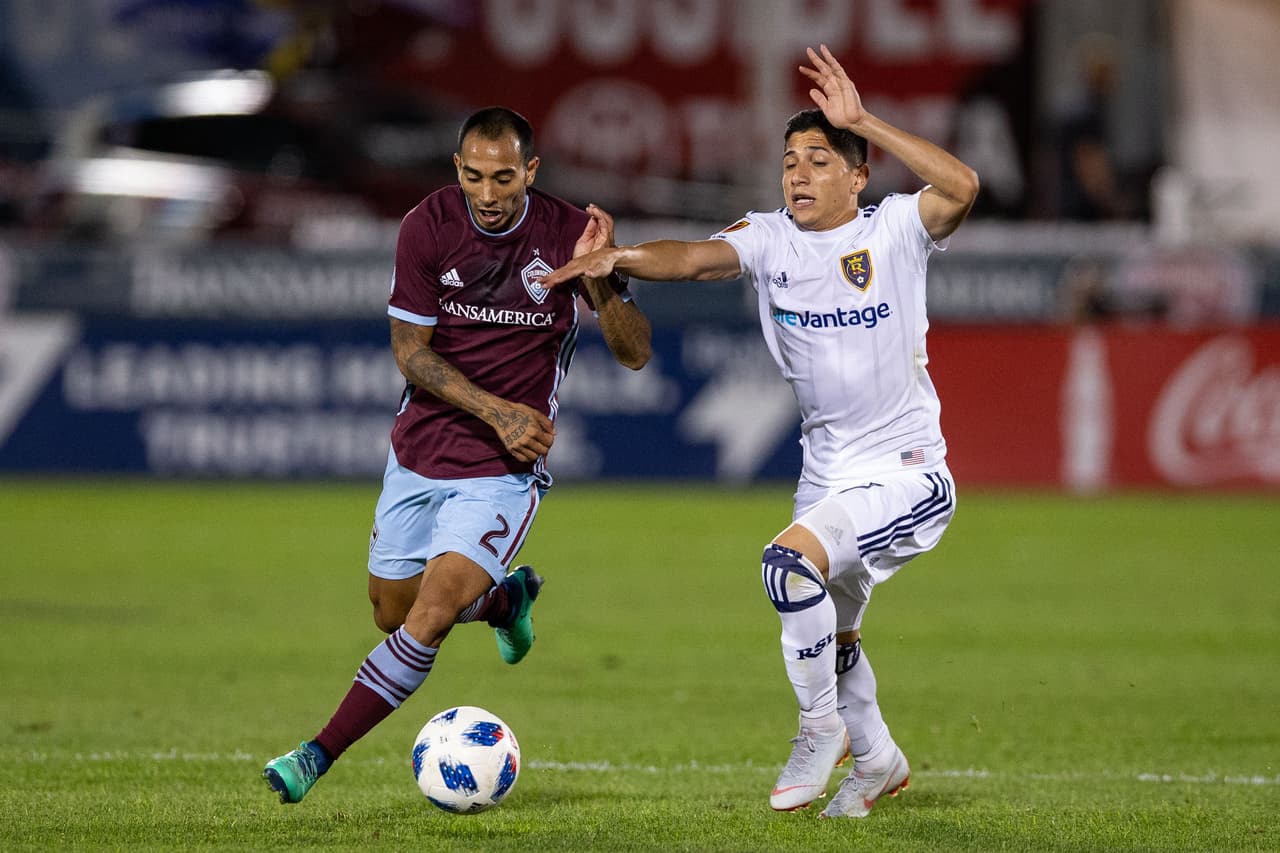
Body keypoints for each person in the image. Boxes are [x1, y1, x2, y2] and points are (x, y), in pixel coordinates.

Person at [541, 45, 978, 818]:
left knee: (786, 566)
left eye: (818, 159)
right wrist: (622, 257)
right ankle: (876, 758)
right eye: (788, 163)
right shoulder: (771, 236)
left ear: (857, 174)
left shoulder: (897, 230)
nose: (798, 175)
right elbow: (697, 258)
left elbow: (963, 185)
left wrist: (864, 118)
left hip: (907, 471)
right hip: (826, 472)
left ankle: (820, 733)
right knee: (835, 638)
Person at [262, 106, 652, 804]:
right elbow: (410, 351)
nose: (490, 193)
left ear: (530, 171)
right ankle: (505, 599)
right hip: (419, 454)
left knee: (430, 616)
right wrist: (495, 410)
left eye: (505, 177)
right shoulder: (428, 225)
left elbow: (634, 353)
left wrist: (604, 274)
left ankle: (315, 754)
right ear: (458, 169)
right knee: (391, 610)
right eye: (475, 176)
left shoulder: (568, 232)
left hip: (505, 472)